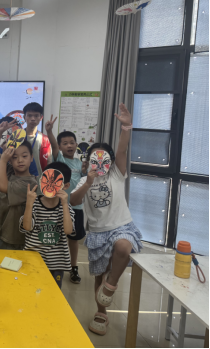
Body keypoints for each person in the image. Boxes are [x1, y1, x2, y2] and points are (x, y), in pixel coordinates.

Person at [70, 103, 142, 336]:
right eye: (95, 157)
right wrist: (88, 182)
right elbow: (73, 200)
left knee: (123, 246)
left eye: (105, 157)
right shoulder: (85, 180)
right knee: (98, 275)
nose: (100, 162)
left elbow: (121, 151)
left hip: (121, 225)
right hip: (98, 231)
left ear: (110, 160)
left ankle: (111, 284)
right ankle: (101, 312)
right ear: (88, 159)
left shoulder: (117, 174)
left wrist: (126, 127)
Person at [19, 162, 75, 289]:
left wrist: (64, 204)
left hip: (56, 264)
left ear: (65, 186)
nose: (50, 185)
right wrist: (29, 204)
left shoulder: (66, 208)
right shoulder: (34, 203)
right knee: (31, 292)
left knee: (53, 295)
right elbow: (26, 227)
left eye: (55, 182)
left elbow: (68, 231)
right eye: (46, 180)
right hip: (33, 261)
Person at [45, 115, 87, 285]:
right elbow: (53, 145)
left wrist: (85, 170)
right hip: (58, 206)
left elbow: (84, 181)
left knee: (74, 239)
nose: (69, 145)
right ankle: (54, 264)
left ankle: (73, 267)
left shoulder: (80, 163)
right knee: (57, 236)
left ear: (76, 145)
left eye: (72, 142)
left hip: (76, 207)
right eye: (65, 143)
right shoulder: (59, 159)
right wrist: (49, 131)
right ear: (60, 147)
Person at [0, 120, 37, 250]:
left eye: (24, 156)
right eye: (14, 157)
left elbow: (3, 187)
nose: (20, 160)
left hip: (12, 237)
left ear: (31, 158)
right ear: (10, 160)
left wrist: (3, 161)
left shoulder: (30, 183)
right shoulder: (8, 170)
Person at [22, 102, 53, 177]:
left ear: (41, 117)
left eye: (36, 116)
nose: (33, 119)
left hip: (40, 179)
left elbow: (49, 163)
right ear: (24, 117)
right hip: (20, 179)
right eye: (29, 115)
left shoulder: (45, 139)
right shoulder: (17, 137)